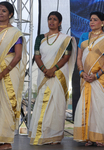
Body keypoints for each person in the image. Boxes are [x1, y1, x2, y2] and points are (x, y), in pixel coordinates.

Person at [28, 11, 76, 145]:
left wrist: (52, 69)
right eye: (50, 19)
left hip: (58, 75)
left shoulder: (66, 39)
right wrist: (45, 70)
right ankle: (41, 134)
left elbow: (66, 57)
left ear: (60, 23)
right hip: (44, 75)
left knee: (57, 104)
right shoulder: (40, 38)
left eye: (55, 19)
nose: (52, 21)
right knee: (42, 101)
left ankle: (54, 136)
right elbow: (37, 56)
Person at [73, 11, 104, 147]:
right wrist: (82, 72)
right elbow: (79, 57)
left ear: (103, 22)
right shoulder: (83, 37)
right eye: (90, 20)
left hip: (101, 78)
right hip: (85, 77)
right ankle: (88, 136)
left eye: (95, 19)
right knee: (86, 106)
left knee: (101, 107)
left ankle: (102, 137)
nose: (92, 22)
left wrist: (97, 75)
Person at [0, 1, 27, 150]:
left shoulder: (15, 33)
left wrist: (3, 72)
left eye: (4, 11)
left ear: (10, 14)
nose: (0, 13)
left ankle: (6, 142)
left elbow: (18, 56)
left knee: (6, 104)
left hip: (8, 72)